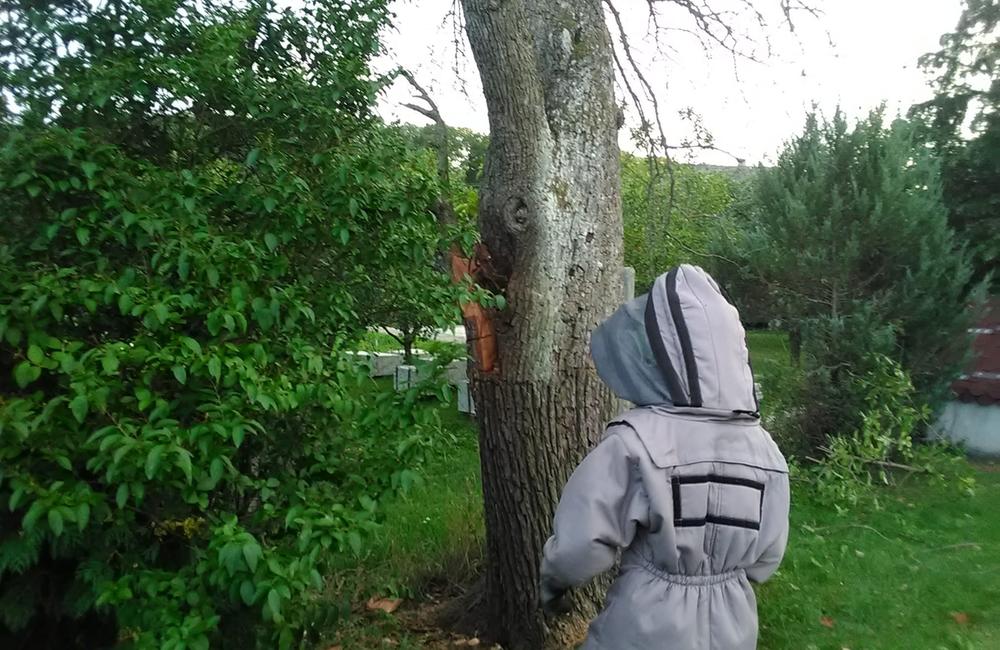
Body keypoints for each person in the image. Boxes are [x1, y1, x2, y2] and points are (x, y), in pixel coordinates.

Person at [539, 264, 790, 650]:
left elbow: (581, 544)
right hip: (733, 625)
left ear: (664, 355)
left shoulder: (636, 441)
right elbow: (766, 558)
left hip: (644, 625)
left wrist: (552, 583)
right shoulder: (766, 451)